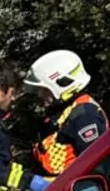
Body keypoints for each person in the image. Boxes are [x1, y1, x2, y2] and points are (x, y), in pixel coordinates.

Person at [25, 49, 106, 177]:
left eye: (43, 89)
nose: (39, 95)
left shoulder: (84, 116)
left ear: (61, 84)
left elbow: (98, 167)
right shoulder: (62, 115)